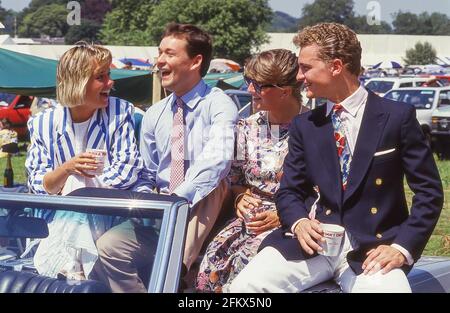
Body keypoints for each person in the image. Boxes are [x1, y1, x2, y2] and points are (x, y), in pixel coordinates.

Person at [229, 23, 443, 293]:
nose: (299, 76)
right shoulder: (306, 125)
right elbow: (290, 192)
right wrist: (299, 223)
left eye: (306, 67)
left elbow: (429, 193)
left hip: (373, 249)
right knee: (243, 288)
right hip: (312, 244)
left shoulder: (396, 117)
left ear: (336, 66)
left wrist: (401, 248)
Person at [94, 22, 238, 293]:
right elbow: (147, 172)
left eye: (169, 54)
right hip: (159, 210)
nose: (159, 61)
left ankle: (176, 267)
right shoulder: (154, 114)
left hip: (200, 206)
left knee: (214, 185)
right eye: (159, 53)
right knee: (108, 246)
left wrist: (175, 201)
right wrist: (149, 201)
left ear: (196, 61)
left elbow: (216, 160)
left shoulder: (219, 105)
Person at [25, 42, 143, 280]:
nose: (111, 82)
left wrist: (77, 178)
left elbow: (126, 172)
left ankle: (69, 267)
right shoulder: (43, 123)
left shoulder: (120, 113)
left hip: (110, 215)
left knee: (77, 183)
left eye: (109, 74)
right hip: (55, 220)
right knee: (74, 179)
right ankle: (72, 267)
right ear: (77, 82)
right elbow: (38, 184)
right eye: (101, 77)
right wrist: (68, 168)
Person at [196, 49, 308, 292]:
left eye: (258, 85)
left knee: (248, 272)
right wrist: (239, 196)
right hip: (248, 219)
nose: (249, 90)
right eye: (249, 82)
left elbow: (324, 190)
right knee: (209, 269)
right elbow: (235, 177)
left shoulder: (314, 128)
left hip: (294, 220)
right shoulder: (246, 127)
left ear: (285, 91)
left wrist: (284, 214)